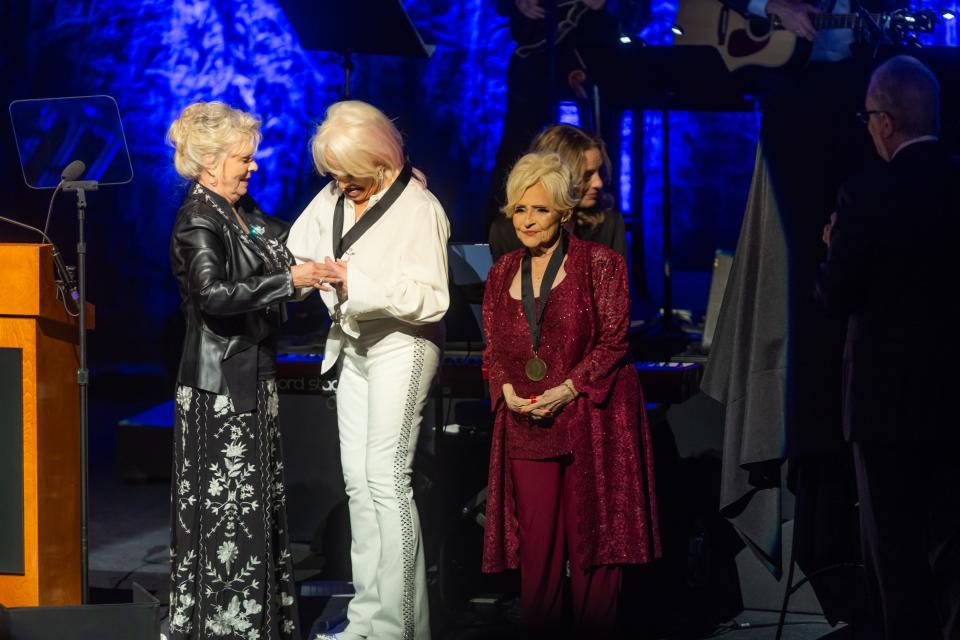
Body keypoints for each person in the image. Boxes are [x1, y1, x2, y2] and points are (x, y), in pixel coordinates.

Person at [286, 100, 450, 640]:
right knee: (359, 485)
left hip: (403, 345)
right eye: (334, 176)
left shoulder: (418, 208)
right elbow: (299, 244)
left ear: (381, 160)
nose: (342, 185)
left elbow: (432, 299)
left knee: (387, 482)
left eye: (351, 176)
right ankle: (366, 620)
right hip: (353, 346)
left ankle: (402, 627)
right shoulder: (334, 195)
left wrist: (359, 283)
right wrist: (318, 278)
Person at [481, 152, 660, 636]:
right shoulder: (501, 273)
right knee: (537, 550)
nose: (528, 220)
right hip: (527, 425)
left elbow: (613, 342)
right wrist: (505, 390)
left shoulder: (601, 264)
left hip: (591, 420)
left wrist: (568, 388)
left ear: (563, 211)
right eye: (520, 209)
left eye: (539, 209)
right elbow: (494, 349)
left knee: (593, 548)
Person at [168, 101, 325, 640]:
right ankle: (222, 627)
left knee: (254, 505)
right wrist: (289, 281)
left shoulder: (240, 211)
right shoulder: (198, 218)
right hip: (218, 388)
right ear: (210, 163)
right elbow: (211, 295)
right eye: (243, 159)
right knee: (228, 513)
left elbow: (288, 242)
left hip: (252, 376)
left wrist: (349, 197)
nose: (252, 167)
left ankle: (255, 623)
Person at [816, 56, 960, 639]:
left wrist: (830, 248)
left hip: (883, 408)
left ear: (885, 122)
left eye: (869, 117)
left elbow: (836, 297)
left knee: (894, 558)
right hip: (955, 401)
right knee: (955, 552)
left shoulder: (864, 195)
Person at [489, 123, 627, 261]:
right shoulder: (505, 231)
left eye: (599, 171)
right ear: (558, 174)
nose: (599, 183)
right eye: (587, 175)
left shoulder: (609, 224)